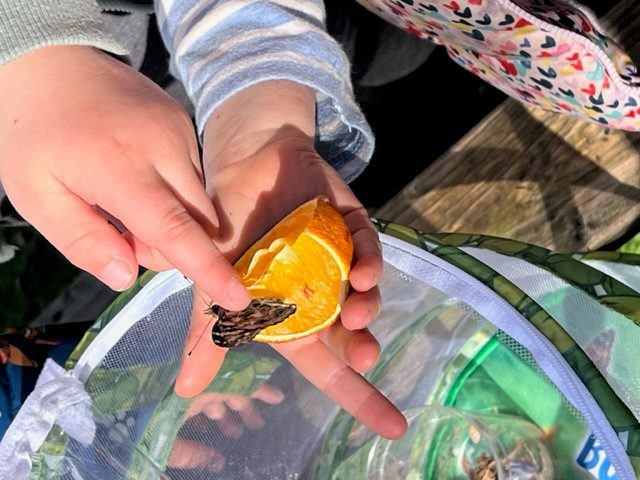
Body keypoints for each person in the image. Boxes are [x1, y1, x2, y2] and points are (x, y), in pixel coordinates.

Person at [1, 0, 637, 442]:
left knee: (391, 50)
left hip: (172, 49)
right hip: (177, 93)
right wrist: (264, 114)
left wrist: (30, 57)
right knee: (390, 54)